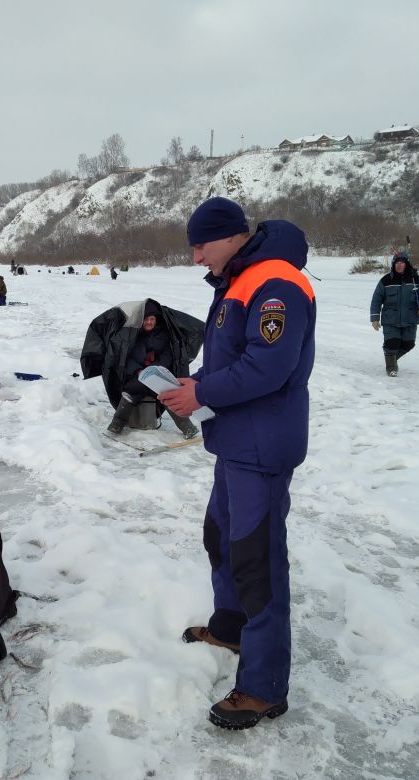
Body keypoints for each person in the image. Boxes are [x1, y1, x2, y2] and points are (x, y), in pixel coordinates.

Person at [158, 196, 315, 730]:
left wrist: (202, 391)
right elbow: (231, 357)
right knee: (221, 536)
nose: (197, 256)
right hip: (235, 442)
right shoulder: (238, 279)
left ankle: (264, 688)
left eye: (201, 245)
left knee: (258, 560)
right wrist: (192, 382)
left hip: (262, 447)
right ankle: (230, 627)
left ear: (229, 236)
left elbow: (268, 367)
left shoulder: (276, 282)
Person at [80, 299, 204, 439]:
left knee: (169, 393)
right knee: (132, 390)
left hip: (158, 375)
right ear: (140, 320)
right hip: (136, 375)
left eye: (152, 319)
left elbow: (167, 356)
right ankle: (117, 423)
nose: (149, 322)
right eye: (146, 319)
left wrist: (153, 370)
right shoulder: (132, 335)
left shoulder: (164, 335)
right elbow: (126, 358)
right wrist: (139, 371)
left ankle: (186, 427)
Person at [369, 251, 419, 376]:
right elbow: (376, 299)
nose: (399, 265)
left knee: (409, 344)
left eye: (402, 263)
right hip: (391, 318)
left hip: (410, 318)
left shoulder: (415, 279)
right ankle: (391, 368)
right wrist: (375, 318)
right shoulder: (386, 280)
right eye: (397, 263)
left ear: (406, 264)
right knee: (392, 343)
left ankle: (391, 359)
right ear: (393, 264)